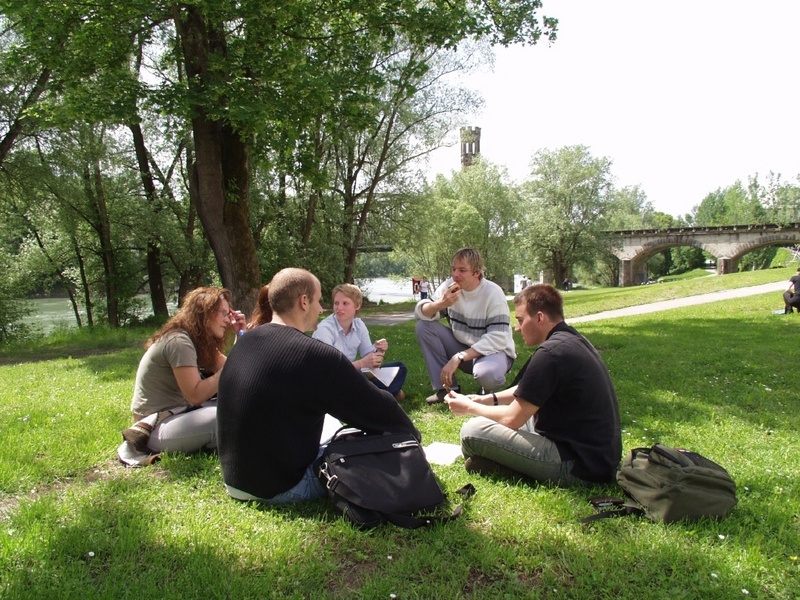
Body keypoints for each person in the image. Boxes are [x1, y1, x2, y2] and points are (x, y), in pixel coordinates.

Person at [217, 268, 418, 504]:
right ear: (304, 301)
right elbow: (379, 410)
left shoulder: (246, 341)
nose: (322, 308)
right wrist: (412, 437)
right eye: (319, 299)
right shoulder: (312, 355)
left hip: (235, 480)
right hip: (283, 485)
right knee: (365, 448)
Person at [444, 283, 621, 486]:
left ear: (539, 317)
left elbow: (512, 419)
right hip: (599, 458)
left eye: (520, 320)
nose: (517, 328)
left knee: (472, 431)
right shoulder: (573, 339)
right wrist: (487, 399)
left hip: (576, 465)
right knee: (499, 418)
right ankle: (503, 464)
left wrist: (469, 407)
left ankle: (514, 469)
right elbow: (527, 389)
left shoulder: (550, 354)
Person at [121, 287, 246, 458]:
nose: (227, 320)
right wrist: (228, 369)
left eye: (228, 313)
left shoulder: (199, 342)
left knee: (242, 405)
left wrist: (241, 333)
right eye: (223, 313)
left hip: (180, 414)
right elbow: (196, 395)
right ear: (204, 314)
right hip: (156, 426)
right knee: (219, 417)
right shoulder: (179, 341)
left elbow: (238, 373)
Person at [415, 247, 516, 404]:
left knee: (488, 375)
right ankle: (447, 390)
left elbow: (498, 337)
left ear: (477, 272)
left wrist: (459, 357)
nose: (455, 274)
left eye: (462, 270)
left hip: (494, 352)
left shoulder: (493, 293)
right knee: (423, 327)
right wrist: (441, 304)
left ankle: (486, 392)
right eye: (454, 269)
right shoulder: (449, 286)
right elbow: (420, 313)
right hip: (465, 350)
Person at [312, 283, 407, 402]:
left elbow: (369, 359)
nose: (339, 308)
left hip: (351, 375)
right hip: (331, 381)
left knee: (400, 367)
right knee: (359, 378)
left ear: (357, 306)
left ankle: (376, 397)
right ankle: (384, 397)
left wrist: (378, 351)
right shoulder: (325, 329)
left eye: (345, 303)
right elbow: (330, 370)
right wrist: (362, 363)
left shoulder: (359, 325)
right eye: (336, 303)